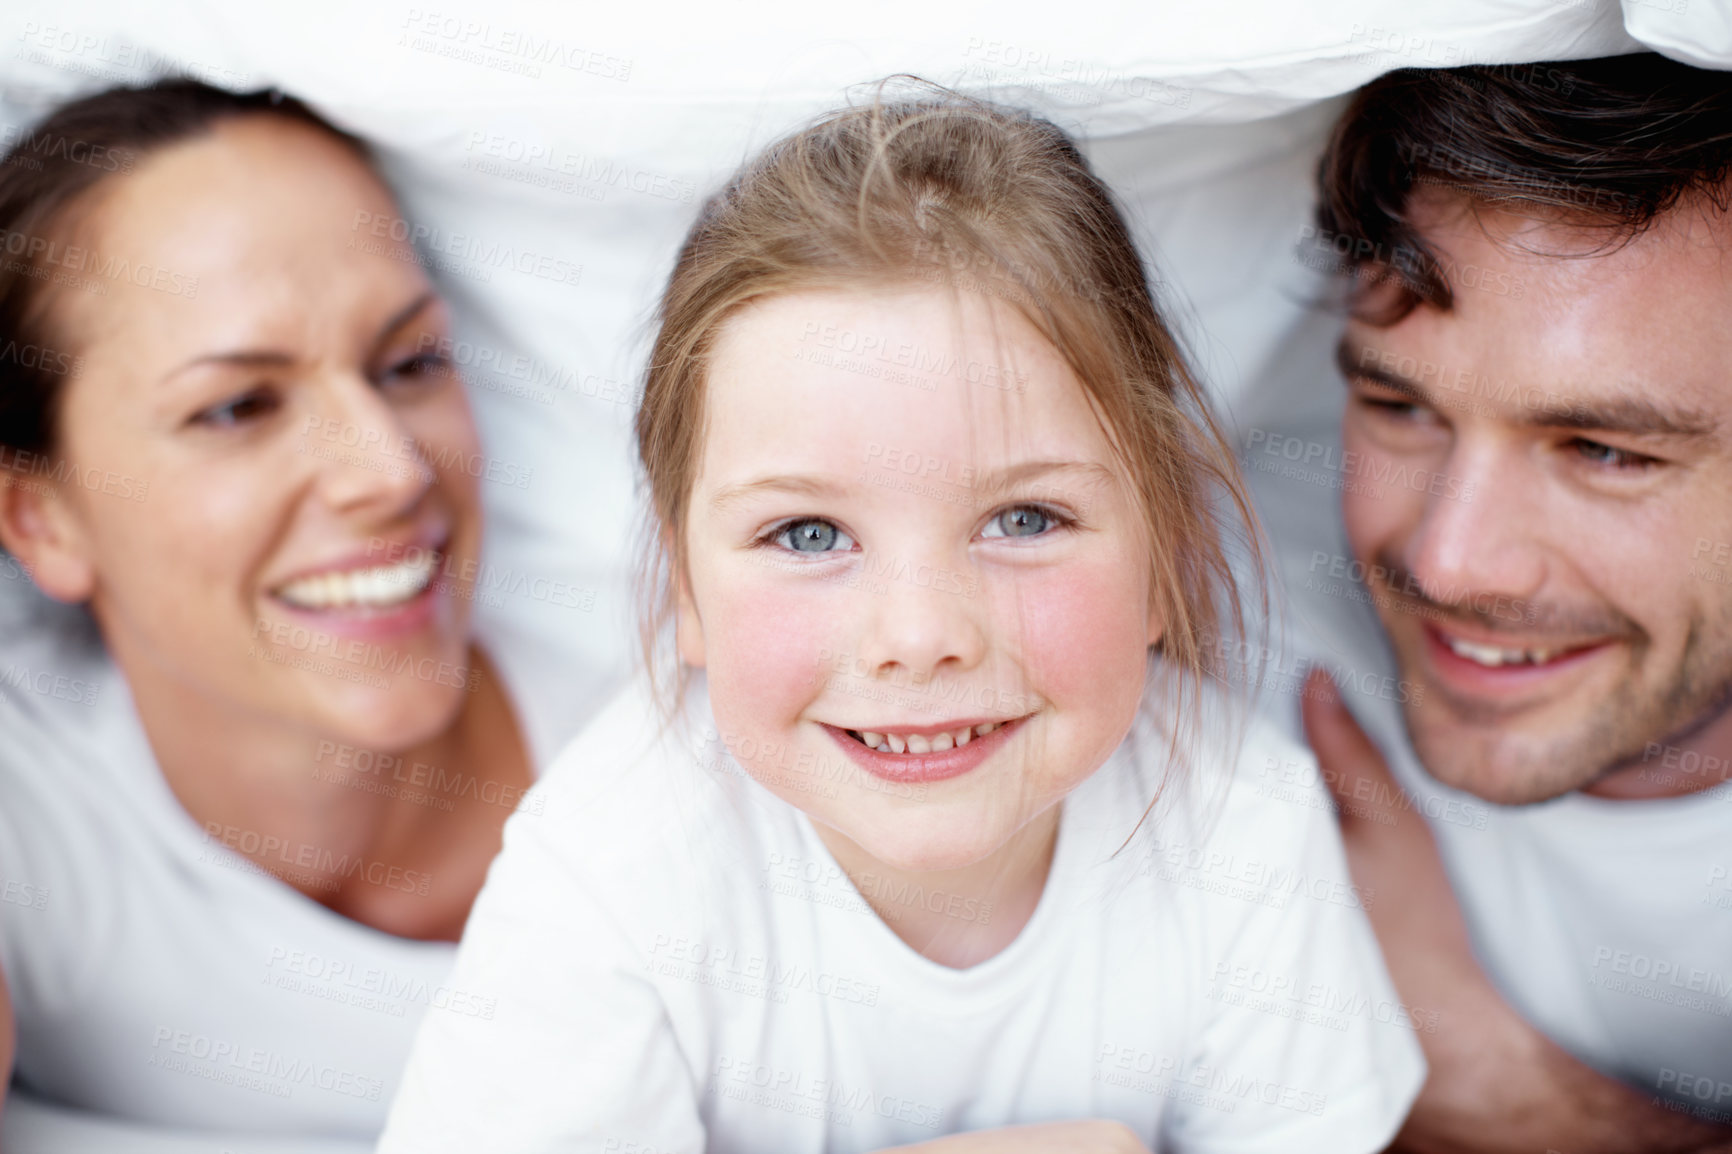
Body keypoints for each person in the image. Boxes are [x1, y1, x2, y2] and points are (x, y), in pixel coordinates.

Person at [378, 86, 1424, 1154]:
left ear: (1160, 552)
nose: (921, 634)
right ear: (686, 591)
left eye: (1024, 517)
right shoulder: (609, 874)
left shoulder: (1241, 826)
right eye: (808, 534)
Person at [0, 79, 607, 1142]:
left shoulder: (686, 746)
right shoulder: (33, 814)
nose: (389, 468)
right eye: (238, 405)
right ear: (41, 519)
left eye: (411, 361)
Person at [1261, 54, 1732, 1153]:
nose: (1449, 560)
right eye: (1397, 406)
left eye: (1604, 450)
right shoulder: (1184, 617)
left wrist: (1489, 1084)